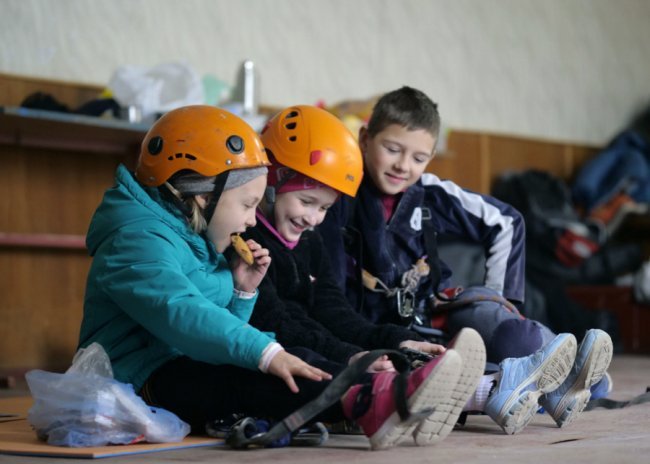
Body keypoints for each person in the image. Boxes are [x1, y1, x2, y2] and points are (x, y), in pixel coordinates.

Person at [77, 104, 475, 451]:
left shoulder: (194, 236)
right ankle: (371, 400)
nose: (252, 219)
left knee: (275, 362)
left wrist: (240, 292)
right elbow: (181, 313)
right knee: (255, 372)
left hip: (178, 363)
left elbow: (214, 323)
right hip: (136, 381)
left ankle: (383, 395)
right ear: (204, 196)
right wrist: (266, 353)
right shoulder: (135, 238)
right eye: (248, 204)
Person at [244, 105, 583, 436]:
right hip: (287, 353)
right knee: (325, 361)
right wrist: (355, 356)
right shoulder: (250, 245)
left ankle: (546, 382)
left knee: (460, 335)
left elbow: (334, 311)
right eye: (307, 202)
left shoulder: (309, 238)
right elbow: (281, 324)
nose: (314, 218)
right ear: (271, 179)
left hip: (382, 325)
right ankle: (491, 389)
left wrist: (396, 341)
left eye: (324, 208)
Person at [317, 87, 613, 431]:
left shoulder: (430, 194)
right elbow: (328, 299)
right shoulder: (337, 198)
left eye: (418, 157)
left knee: (519, 337)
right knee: (441, 370)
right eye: (392, 149)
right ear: (365, 139)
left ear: (431, 156)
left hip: (434, 313)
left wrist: (503, 303)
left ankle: (568, 378)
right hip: (380, 334)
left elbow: (507, 222)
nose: (403, 166)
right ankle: (552, 385)